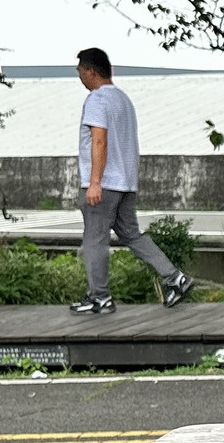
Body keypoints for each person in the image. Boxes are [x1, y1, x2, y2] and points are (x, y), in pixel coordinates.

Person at [70, 47, 191, 316]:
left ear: (91, 71)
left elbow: (99, 140)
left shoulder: (97, 100)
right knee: (131, 234)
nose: (79, 77)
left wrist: (94, 182)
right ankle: (174, 277)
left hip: (104, 185)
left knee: (94, 240)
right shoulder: (123, 100)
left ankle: (99, 297)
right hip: (125, 183)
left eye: (79, 71)